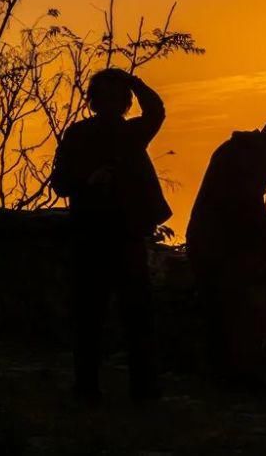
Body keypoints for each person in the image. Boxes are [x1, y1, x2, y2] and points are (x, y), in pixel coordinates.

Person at [50, 68, 171, 403]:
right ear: (95, 101)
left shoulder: (129, 133)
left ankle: (140, 389)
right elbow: (60, 182)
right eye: (107, 96)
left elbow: (156, 112)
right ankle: (91, 388)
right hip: (93, 237)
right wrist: (89, 180)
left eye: (117, 96)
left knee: (134, 316)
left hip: (125, 236)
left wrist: (133, 81)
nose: (111, 102)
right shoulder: (81, 136)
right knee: (95, 317)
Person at [186, 120, 266, 389]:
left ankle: (216, 374)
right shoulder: (259, 160)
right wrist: (265, 232)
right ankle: (233, 376)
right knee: (233, 310)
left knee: (215, 311)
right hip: (221, 245)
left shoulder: (233, 149)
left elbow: (241, 200)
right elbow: (244, 205)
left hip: (204, 238)